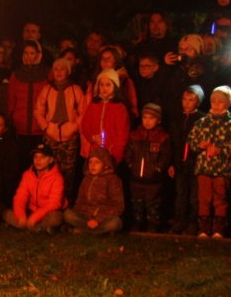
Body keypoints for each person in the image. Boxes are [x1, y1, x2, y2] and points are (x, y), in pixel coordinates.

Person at [189, 86, 231, 238]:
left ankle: (218, 229)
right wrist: (199, 145)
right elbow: (191, 141)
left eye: (220, 102)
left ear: (227, 104)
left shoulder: (230, 125)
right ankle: (203, 229)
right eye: (213, 101)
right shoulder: (202, 122)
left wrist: (220, 150)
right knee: (204, 199)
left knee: (220, 199)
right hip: (204, 168)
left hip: (221, 170)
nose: (216, 104)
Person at [34, 56, 86, 201]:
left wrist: (73, 127)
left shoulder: (75, 89)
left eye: (62, 69)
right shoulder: (47, 89)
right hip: (51, 134)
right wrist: (46, 127)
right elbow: (38, 110)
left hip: (69, 136)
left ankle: (65, 200)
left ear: (68, 71)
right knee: (49, 169)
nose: (58, 72)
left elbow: (83, 112)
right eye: (55, 69)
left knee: (68, 171)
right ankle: (47, 199)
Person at [124, 103, 171, 232]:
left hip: (153, 179)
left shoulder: (162, 137)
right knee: (137, 201)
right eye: (145, 117)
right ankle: (137, 221)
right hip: (136, 177)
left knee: (153, 202)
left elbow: (165, 155)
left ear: (158, 120)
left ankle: (152, 223)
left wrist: (158, 168)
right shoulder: (135, 135)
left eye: (151, 118)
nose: (147, 121)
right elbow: (128, 152)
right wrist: (131, 164)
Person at [4, 142, 65, 233]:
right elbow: (20, 196)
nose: (38, 160)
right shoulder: (27, 175)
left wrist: (35, 217)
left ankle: (30, 226)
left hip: (47, 213)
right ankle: (36, 227)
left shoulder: (57, 178)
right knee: (6, 212)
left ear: (51, 160)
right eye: (35, 157)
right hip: (31, 210)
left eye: (43, 157)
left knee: (56, 218)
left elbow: (54, 203)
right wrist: (21, 216)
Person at [168, 85, 204, 234]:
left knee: (194, 196)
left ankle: (193, 223)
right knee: (180, 194)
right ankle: (179, 221)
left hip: (195, 163)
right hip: (179, 163)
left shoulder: (201, 119)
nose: (186, 103)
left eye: (191, 100)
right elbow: (172, 143)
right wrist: (171, 163)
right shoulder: (176, 118)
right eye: (184, 99)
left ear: (198, 101)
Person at [64, 147, 124, 235]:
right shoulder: (86, 179)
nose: (92, 165)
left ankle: (85, 231)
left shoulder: (113, 180)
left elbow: (118, 206)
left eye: (97, 162)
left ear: (106, 165)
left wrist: (98, 219)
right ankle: (97, 231)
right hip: (86, 217)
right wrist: (82, 214)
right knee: (68, 214)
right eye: (90, 162)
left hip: (103, 218)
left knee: (116, 222)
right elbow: (80, 201)